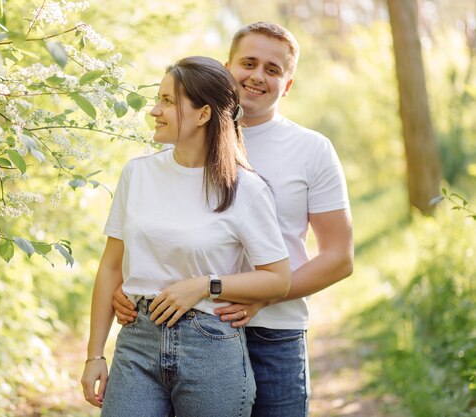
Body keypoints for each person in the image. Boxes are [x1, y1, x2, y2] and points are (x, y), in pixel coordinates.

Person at [112, 23, 354, 417]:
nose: (258, 75)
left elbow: (339, 257)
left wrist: (260, 295)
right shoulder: (181, 137)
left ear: (287, 85)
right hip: (176, 328)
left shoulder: (312, 150)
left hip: (273, 333)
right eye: (249, 62)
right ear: (227, 70)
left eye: (273, 70)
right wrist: (130, 290)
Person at [80, 56, 291, 417]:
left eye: (167, 101)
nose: (154, 110)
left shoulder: (247, 189)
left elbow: (278, 279)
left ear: (203, 114)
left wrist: (204, 285)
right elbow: (111, 267)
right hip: (137, 341)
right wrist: (95, 354)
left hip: (210, 346)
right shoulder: (137, 174)